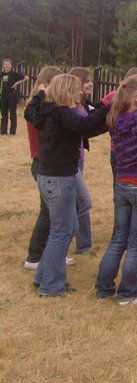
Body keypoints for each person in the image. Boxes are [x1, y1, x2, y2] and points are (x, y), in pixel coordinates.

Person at [24, 74, 110, 296]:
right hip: (60, 179)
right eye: (76, 89)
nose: (80, 93)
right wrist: (109, 105)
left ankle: (42, 276)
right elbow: (85, 124)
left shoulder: (46, 111)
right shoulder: (61, 113)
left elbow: (85, 128)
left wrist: (39, 93)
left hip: (51, 176)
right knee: (61, 232)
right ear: (67, 91)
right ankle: (51, 287)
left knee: (67, 228)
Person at [95, 74, 137, 305]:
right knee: (135, 244)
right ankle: (128, 293)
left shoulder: (115, 117)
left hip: (122, 183)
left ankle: (104, 288)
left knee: (118, 240)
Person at [23, 66, 73, 270]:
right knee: (47, 212)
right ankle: (34, 257)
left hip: (46, 163)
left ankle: (51, 253)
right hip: (43, 164)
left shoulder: (41, 106)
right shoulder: (39, 108)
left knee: (51, 212)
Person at [67, 67, 96, 255]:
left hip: (79, 159)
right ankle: (66, 242)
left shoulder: (84, 105)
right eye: (86, 81)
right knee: (83, 201)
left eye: (91, 80)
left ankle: (84, 245)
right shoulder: (69, 107)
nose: (90, 84)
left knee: (78, 202)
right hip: (68, 161)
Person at [1, 59, 29, 135]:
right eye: (5, 64)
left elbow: (26, 78)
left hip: (11, 96)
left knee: (12, 114)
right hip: (3, 96)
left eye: (8, 64)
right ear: (3, 65)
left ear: (11, 66)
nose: (6, 66)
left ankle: (12, 132)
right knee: (4, 115)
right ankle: (3, 131)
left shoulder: (13, 74)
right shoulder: (2, 74)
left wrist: (17, 83)